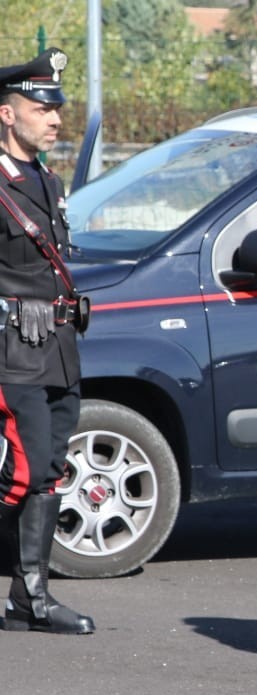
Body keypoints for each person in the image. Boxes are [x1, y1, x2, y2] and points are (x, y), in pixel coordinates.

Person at [0, 48, 93, 635]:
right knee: (25, 472)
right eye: (40, 108)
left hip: (58, 344)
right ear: (7, 115)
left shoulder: (47, 180)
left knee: (52, 469)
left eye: (55, 107)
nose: (54, 118)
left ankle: (29, 598)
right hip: (11, 347)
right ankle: (28, 596)